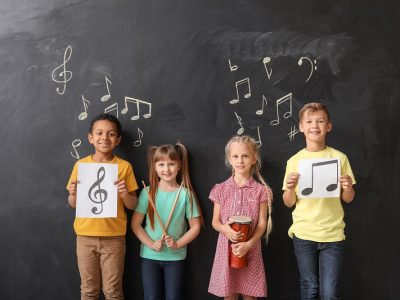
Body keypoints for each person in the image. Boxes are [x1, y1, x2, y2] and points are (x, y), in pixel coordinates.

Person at [282, 102, 356, 300]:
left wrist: (348, 187)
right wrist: (289, 188)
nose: (315, 126)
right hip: (304, 232)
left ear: (328, 126)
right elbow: (289, 202)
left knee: (330, 293)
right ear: (301, 127)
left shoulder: (339, 158)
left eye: (320, 121)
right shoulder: (294, 161)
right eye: (309, 121)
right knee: (310, 288)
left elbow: (348, 198)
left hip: (332, 234)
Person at [66, 113, 138, 300]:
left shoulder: (124, 167)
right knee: (88, 290)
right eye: (99, 133)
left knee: (113, 291)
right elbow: (73, 204)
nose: (104, 138)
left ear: (118, 139)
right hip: (85, 237)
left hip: (114, 238)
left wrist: (124, 193)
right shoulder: (80, 165)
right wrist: (73, 193)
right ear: (91, 138)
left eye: (111, 134)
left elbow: (133, 205)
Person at [131, 143, 202, 300]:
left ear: (179, 166)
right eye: (161, 164)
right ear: (154, 167)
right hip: (150, 256)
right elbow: (135, 225)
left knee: (174, 297)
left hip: (175, 257)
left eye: (171, 164)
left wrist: (178, 243)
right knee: (151, 297)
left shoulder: (185, 194)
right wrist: (150, 243)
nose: (166, 169)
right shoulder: (147, 192)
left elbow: (195, 227)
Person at [208, 135, 273, 300]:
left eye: (245, 156)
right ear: (229, 159)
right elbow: (215, 222)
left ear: (254, 158)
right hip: (226, 249)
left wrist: (249, 244)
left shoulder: (261, 191)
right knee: (229, 294)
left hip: (251, 249)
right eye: (235, 156)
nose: (240, 160)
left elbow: (262, 224)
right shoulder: (220, 189)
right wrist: (225, 229)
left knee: (250, 296)